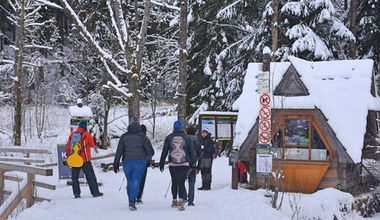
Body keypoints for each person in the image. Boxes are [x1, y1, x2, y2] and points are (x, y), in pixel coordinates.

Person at [113, 117, 154, 211]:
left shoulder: (124, 136)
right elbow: (150, 151)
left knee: (130, 181)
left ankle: (131, 200)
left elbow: (119, 151)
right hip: (140, 162)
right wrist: (147, 160)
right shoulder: (142, 136)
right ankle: (132, 201)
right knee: (136, 181)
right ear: (138, 124)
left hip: (127, 162)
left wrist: (116, 163)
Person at [159, 120, 195, 211]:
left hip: (172, 163)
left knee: (174, 182)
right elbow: (191, 152)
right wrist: (192, 163)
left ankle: (174, 200)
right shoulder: (187, 138)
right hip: (184, 163)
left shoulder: (169, 137)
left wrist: (161, 163)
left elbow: (165, 151)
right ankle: (181, 201)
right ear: (182, 127)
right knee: (181, 182)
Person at [65, 120, 103, 199]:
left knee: (75, 177)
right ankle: (95, 192)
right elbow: (93, 145)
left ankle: (76, 193)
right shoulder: (87, 135)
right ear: (85, 126)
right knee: (91, 176)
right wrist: (97, 151)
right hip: (85, 160)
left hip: (75, 159)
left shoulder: (72, 135)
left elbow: (68, 147)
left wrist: (70, 157)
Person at [136, 124, 155, 204]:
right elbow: (151, 152)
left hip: (132, 162)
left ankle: (132, 195)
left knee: (134, 179)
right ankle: (138, 198)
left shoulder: (133, 139)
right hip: (143, 163)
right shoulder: (145, 139)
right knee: (141, 180)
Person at [185, 125, 202, 206]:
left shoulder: (183, 140)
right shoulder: (197, 142)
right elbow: (200, 155)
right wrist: (199, 167)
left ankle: (183, 197)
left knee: (181, 182)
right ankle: (190, 201)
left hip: (183, 164)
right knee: (191, 183)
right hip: (193, 165)